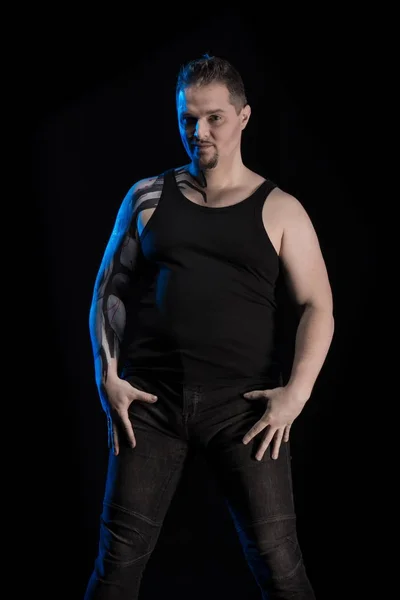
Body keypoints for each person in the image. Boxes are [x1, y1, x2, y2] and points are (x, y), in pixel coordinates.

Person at [84, 54, 334, 599]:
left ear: (243, 117)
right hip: (152, 404)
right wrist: (107, 374)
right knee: (116, 565)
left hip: (243, 408)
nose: (198, 131)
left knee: (281, 567)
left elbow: (319, 306)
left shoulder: (281, 209)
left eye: (213, 118)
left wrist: (296, 394)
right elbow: (110, 288)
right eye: (187, 118)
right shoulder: (146, 196)